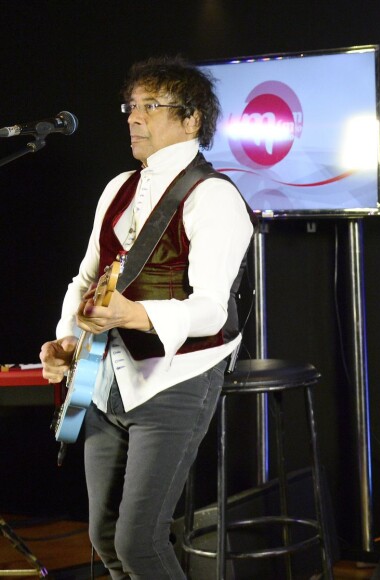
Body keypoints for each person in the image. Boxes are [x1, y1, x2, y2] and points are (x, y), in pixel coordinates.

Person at [39, 55, 255, 579]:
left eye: (150, 107)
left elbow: (212, 310)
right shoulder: (117, 189)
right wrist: (65, 338)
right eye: (131, 106)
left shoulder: (215, 196)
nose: (134, 118)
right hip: (104, 376)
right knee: (104, 538)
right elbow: (84, 279)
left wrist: (134, 314)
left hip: (175, 379)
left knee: (138, 542)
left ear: (191, 120)